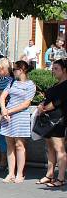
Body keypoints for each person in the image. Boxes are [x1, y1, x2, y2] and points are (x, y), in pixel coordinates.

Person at [0, 60, 36, 184]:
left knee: (19, 145)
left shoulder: (31, 85)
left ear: (21, 70)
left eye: (15, 69)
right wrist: (4, 110)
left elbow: (26, 104)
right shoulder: (11, 82)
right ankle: (11, 173)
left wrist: (8, 112)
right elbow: (3, 96)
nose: (13, 71)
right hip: (8, 116)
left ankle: (20, 173)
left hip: (20, 116)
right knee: (9, 144)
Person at [36, 58, 67, 188]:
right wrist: (41, 105)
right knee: (50, 148)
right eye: (53, 68)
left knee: (59, 148)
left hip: (58, 120)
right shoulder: (56, 85)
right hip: (49, 121)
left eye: (56, 69)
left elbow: (56, 103)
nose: (53, 71)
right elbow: (48, 99)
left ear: (64, 70)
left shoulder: (65, 85)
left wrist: (43, 108)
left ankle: (60, 178)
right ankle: (49, 175)